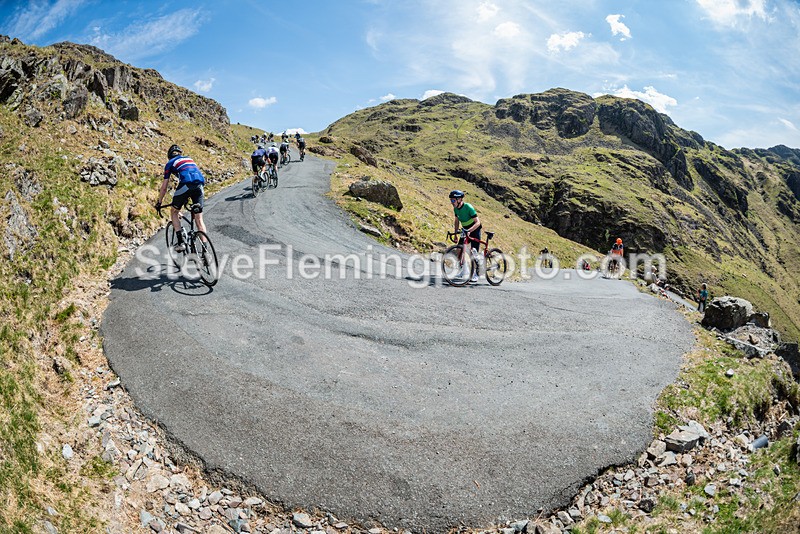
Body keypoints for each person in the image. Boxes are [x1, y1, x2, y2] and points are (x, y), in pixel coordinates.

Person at [157, 144, 206, 252]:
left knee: (174, 212)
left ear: (170, 156)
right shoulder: (189, 159)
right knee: (199, 219)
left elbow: (164, 187)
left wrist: (159, 202)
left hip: (186, 184)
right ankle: (205, 252)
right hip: (200, 185)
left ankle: (180, 243)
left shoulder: (170, 163)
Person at [450, 190, 481, 283]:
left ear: (459, 199)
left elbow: (478, 222)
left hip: (475, 229)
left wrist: (470, 230)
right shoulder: (455, 209)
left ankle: (476, 273)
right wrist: (455, 234)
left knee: (473, 252)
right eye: (451, 201)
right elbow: (456, 221)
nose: (452, 203)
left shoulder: (468, 207)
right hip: (465, 230)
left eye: (453, 201)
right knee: (459, 249)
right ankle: (464, 270)